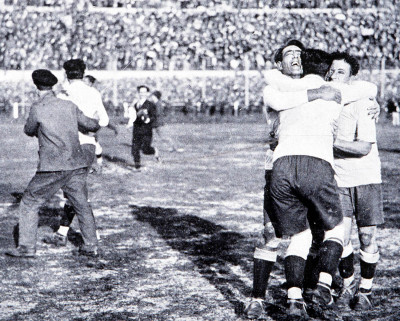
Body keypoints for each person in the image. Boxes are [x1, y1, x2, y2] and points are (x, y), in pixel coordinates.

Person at [252, 47, 377, 319]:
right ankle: (323, 283)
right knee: (336, 230)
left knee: (300, 236)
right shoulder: (334, 92)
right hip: (316, 164)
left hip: (282, 166)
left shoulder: (283, 90)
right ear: (327, 71)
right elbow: (370, 87)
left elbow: (271, 81)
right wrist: (357, 95)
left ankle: (295, 298)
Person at [5, 69, 100, 258]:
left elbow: (29, 129)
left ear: (36, 87)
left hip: (52, 165)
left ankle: (26, 247)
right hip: (76, 163)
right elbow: (92, 125)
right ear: (53, 86)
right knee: (81, 204)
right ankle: (91, 246)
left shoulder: (37, 107)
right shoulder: (69, 105)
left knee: (30, 202)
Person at [327, 52, 383, 310]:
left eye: (341, 71)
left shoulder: (363, 100)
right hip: (339, 177)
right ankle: (348, 283)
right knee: (341, 235)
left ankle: (366, 290)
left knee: (367, 235)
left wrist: (330, 143)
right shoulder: (325, 102)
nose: (334, 75)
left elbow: (363, 148)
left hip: (366, 177)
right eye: (332, 70)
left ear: (351, 78)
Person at [43, 59, 109, 247]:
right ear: (83, 72)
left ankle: (91, 236)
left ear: (65, 73)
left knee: (75, 193)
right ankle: (63, 232)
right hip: (87, 146)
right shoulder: (93, 92)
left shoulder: (63, 94)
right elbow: (103, 120)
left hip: (66, 146)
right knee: (75, 191)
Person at [83, 74, 118, 173]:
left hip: (91, 121)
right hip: (83, 120)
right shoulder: (82, 92)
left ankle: (97, 164)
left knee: (90, 142)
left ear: (90, 83)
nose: (83, 83)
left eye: (85, 81)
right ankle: (97, 163)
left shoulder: (94, 93)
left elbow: (98, 110)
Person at [128, 85, 160, 170]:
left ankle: (154, 150)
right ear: (138, 93)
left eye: (144, 92)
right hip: (137, 129)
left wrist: (148, 119)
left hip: (146, 130)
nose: (142, 94)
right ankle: (137, 166)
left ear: (147, 93)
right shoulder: (135, 104)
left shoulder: (150, 104)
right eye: (141, 92)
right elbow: (132, 115)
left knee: (146, 149)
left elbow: (154, 116)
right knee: (134, 149)